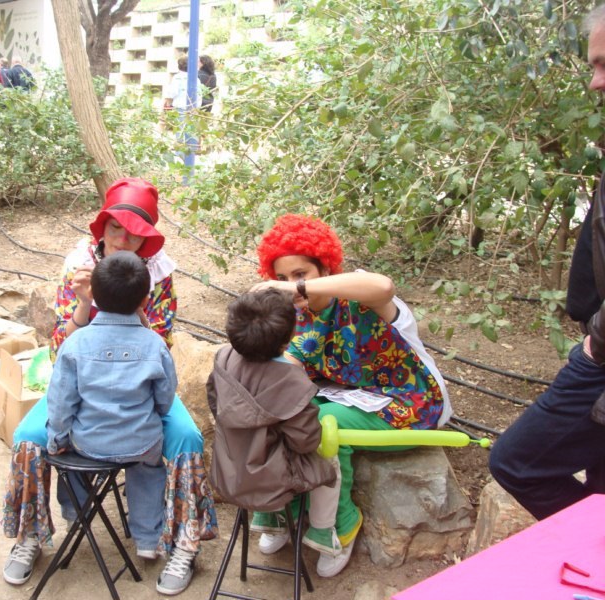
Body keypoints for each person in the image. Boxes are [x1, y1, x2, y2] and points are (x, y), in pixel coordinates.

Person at [1, 178, 217, 594]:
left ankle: (184, 542)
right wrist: (85, 302)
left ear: (146, 241)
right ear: (102, 228)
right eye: (116, 228)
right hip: (78, 386)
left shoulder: (159, 275)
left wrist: (136, 306)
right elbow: (60, 350)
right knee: (28, 437)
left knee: (188, 437)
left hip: (139, 386)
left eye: (134, 234)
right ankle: (29, 534)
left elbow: (160, 344)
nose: (123, 240)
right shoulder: (78, 266)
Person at [250, 213, 451, 577]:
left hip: (409, 404)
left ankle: (340, 525)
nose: (291, 286)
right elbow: (288, 369)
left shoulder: (360, 296)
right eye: (282, 277)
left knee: (324, 424)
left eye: (300, 274)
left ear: (325, 267)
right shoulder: (297, 318)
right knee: (280, 411)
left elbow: (383, 287)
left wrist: (293, 289)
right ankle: (284, 508)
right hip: (351, 399)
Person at [489, 5, 605, 520]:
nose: (595, 82)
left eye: (604, 65)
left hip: (599, 358)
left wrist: (596, 347)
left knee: (518, 462)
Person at [47, 251, 176, 559]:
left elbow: (62, 403)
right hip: (141, 442)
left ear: (94, 296)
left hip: (89, 443)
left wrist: (57, 439)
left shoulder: (75, 343)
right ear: (145, 300)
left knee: (68, 451)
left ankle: (76, 515)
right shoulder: (155, 344)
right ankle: (148, 539)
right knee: (149, 469)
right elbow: (165, 397)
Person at [208, 288, 343, 570]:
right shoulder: (292, 381)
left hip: (228, 470)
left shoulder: (223, 358)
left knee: (264, 448)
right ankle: (322, 531)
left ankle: (271, 522)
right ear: (289, 337)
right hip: (269, 480)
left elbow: (213, 398)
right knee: (330, 460)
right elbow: (306, 441)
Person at [163, 56, 200, 150]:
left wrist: (168, 101)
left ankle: (180, 148)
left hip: (180, 106)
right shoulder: (195, 78)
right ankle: (192, 148)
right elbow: (199, 94)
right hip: (193, 107)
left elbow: (173, 92)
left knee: (180, 128)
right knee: (191, 128)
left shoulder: (178, 77)